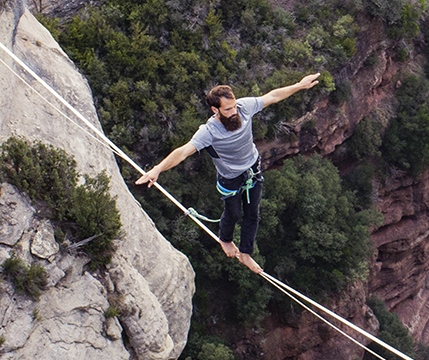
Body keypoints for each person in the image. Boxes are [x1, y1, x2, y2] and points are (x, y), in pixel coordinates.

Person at [135, 74, 322, 273]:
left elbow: (273, 96)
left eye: (233, 106)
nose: (234, 112)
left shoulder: (244, 107)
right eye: (227, 109)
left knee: (252, 214)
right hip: (230, 177)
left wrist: (299, 86)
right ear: (215, 110)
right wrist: (157, 169)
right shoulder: (209, 131)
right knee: (233, 213)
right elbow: (182, 152)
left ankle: (246, 254)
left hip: (252, 168)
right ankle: (225, 240)